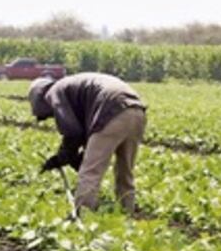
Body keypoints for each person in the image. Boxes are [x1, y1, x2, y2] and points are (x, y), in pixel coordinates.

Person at [29, 72, 147, 213]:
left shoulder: (54, 92)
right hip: (136, 110)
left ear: (39, 99)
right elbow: (82, 131)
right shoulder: (71, 86)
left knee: (90, 173)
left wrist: (64, 155)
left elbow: (72, 131)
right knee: (125, 170)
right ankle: (127, 211)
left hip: (111, 110)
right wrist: (70, 155)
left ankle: (83, 214)